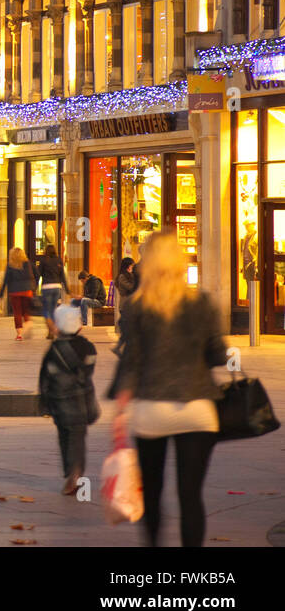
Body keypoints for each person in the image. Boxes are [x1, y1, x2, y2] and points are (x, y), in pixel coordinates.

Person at [109, 232, 227, 547]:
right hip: (197, 409)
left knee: (153, 490)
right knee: (191, 496)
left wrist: (120, 408)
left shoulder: (136, 307)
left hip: (152, 409)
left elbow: (131, 361)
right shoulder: (202, 303)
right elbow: (219, 353)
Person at [38, 301, 100, 494]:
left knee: (65, 438)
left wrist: (44, 404)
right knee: (79, 439)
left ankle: (70, 473)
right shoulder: (88, 347)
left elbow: (44, 378)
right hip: (82, 402)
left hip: (61, 403)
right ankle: (77, 472)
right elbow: (89, 370)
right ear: (79, 326)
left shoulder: (54, 350)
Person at [0, 247, 36, 340]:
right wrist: (33, 288)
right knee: (26, 311)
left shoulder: (10, 265)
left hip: (15, 292)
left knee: (17, 312)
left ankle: (19, 334)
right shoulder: (27, 264)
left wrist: (1, 293)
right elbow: (31, 276)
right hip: (27, 291)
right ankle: (28, 323)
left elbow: (6, 279)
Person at [37, 244, 67, 338]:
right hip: (57, 287)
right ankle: (51, 331)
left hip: (47, 287)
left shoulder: (43, 260)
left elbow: (38, 274)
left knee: (46, 310)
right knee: (53, 310)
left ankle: (52, 330)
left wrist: (34, 287)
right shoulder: (58, 260)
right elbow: (62, 275)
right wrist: (67, 289)